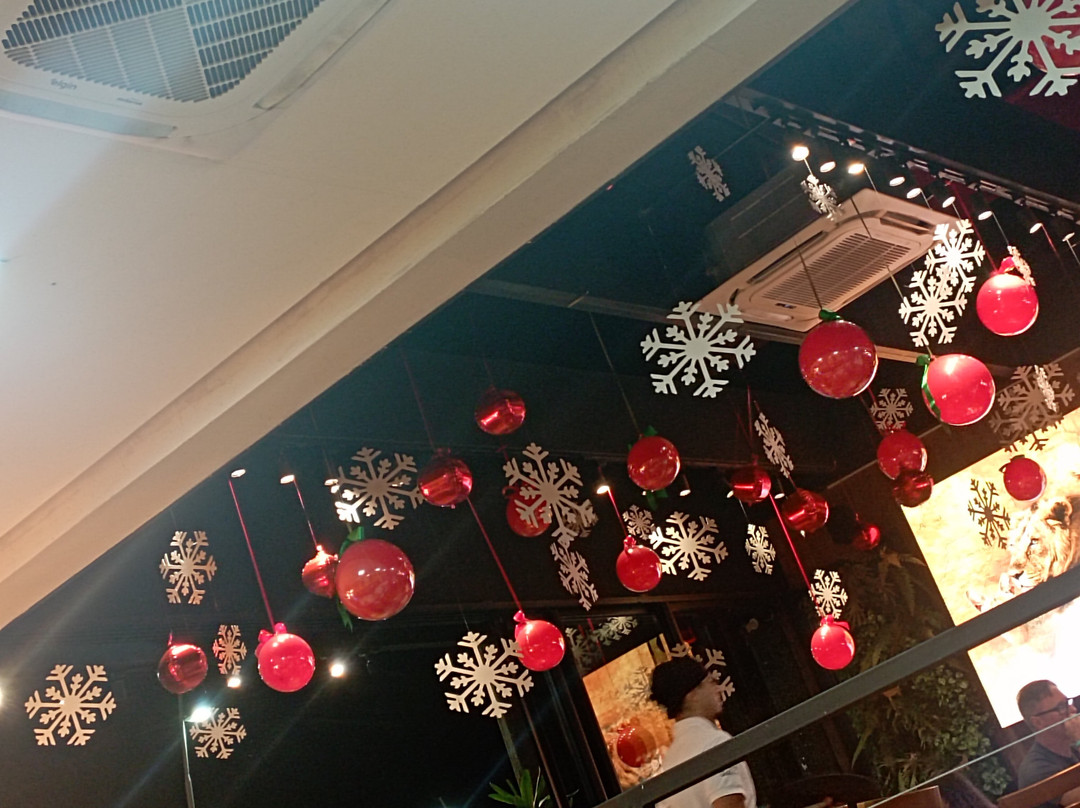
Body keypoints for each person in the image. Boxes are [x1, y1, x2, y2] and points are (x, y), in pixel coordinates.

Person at [649, 656, 757, 808]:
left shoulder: (669, 762)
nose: (718, 689)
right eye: (710, 683)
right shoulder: (714, 743)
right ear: (692, 695)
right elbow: (728, 803)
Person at [1016, 680, 1080, 808]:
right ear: (1038, 722)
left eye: (1068, 703)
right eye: (1061, 708)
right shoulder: (1037, 768)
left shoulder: (1072, 749)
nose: (1073, 710)